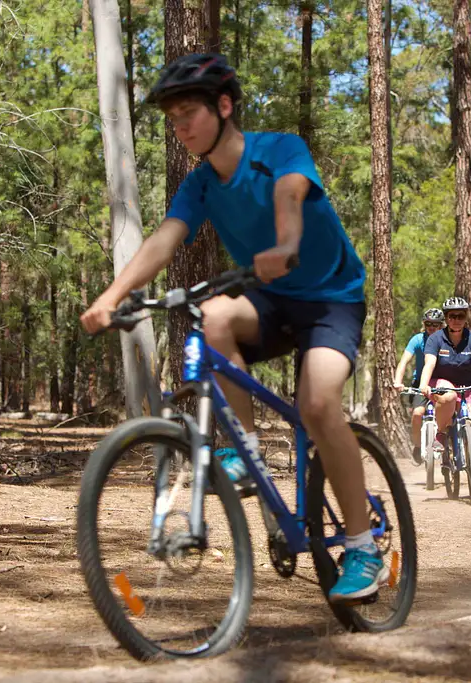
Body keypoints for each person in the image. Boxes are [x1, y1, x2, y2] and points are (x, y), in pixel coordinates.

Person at [80, 54, 384, 601]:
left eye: (189, 112)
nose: (181, 127)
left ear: (224, 107)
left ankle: (363, 547)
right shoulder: (199, 185)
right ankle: (245, 453)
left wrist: (286, 246)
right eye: (173, 119)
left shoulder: (279, 149)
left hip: (330, 301)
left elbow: (290, 195)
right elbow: (165, 239)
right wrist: (110, 299)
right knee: (213, 314)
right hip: (269, 302)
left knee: (317, 406)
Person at [418, 297, 471, 462]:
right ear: (446, 318)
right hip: (441, 382)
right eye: (452, 316)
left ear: (466, 317)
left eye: (461, 316)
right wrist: (423, 384)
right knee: (449, 395)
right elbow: (429, 363)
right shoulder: (435, 339)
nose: (456, 320)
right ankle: (441, 433)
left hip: (467, 385)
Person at [392, 308, 445, 462]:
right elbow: (403, 362)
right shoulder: (417, 340)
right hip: (420, 383)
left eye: (435, 324)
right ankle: (417, 445)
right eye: (428, 323)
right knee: (417, 414)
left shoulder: (447, 340)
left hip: (442, 382)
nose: (431, 327)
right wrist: (398, 381)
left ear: (441, 325)